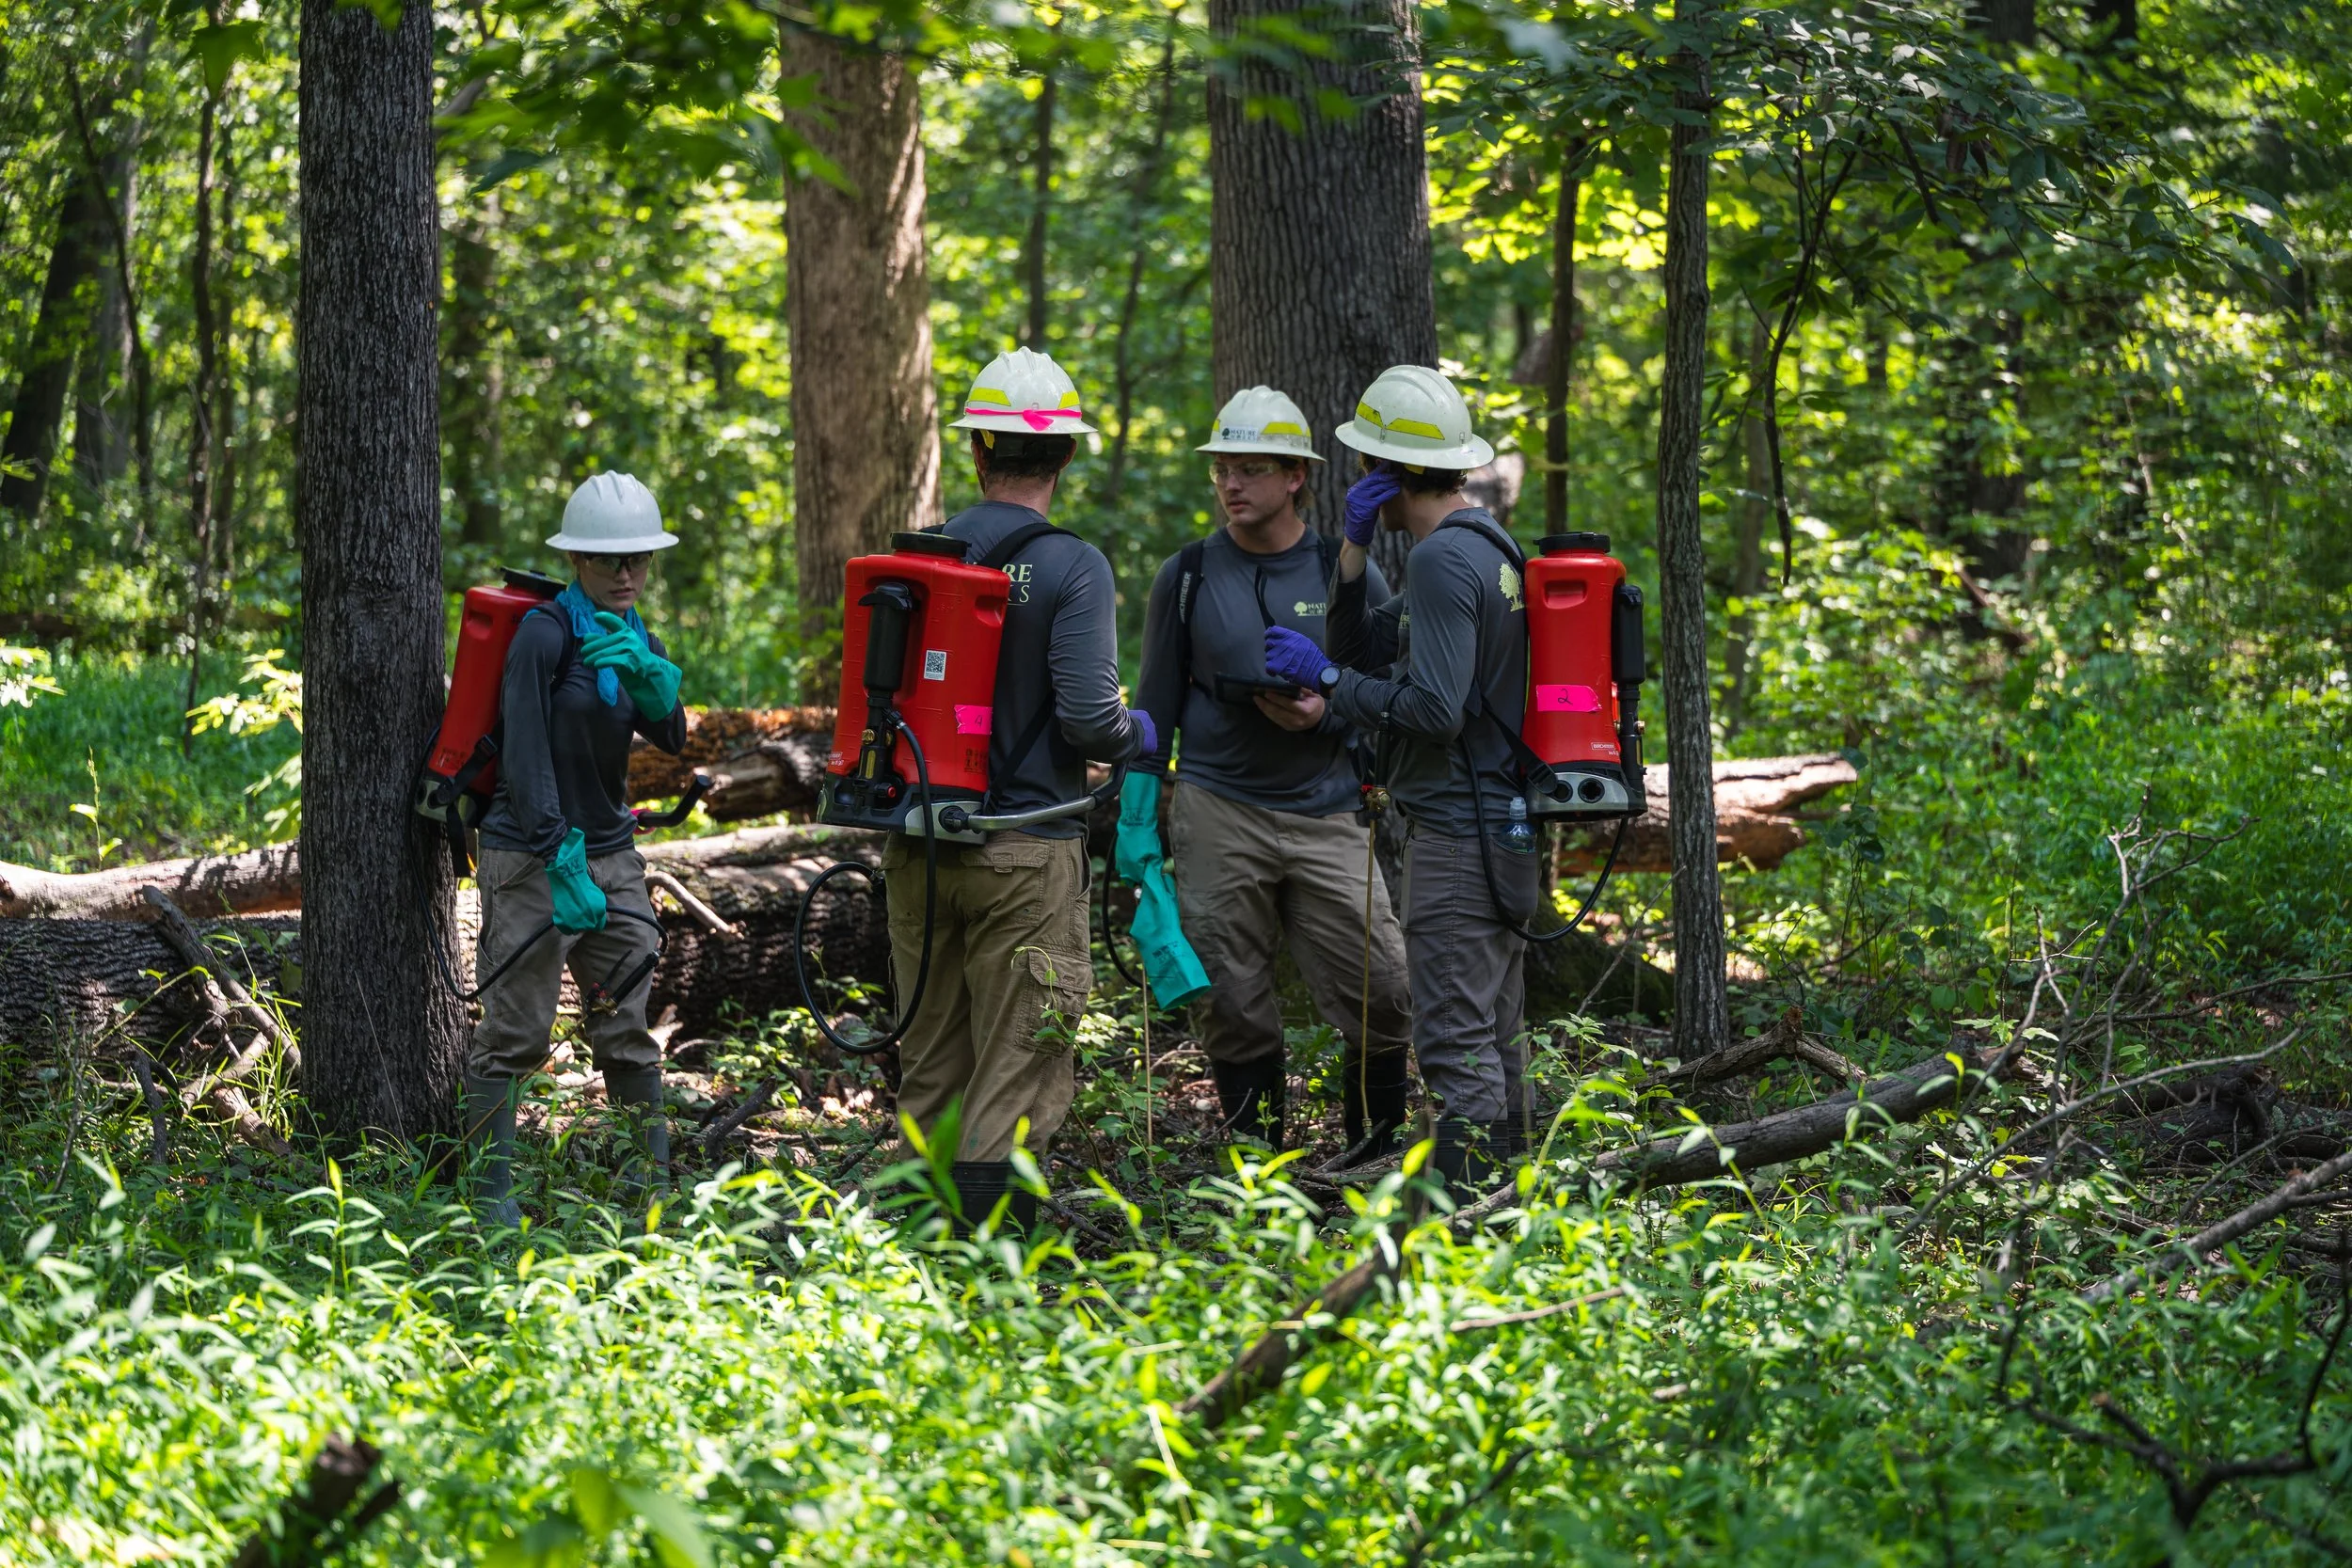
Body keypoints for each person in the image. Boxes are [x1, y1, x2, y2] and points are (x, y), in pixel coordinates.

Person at [882, 347, 1153, 1230]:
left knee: (930, 1060)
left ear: (977, 452)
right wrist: (1136, 733)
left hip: (920, 838)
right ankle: (989, 1277)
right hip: (1027, 849)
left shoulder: (924, 556)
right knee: (1019, 1066)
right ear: (1066, 456)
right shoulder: (1075, 565)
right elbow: (1087, 718)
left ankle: (912, 1265)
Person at [1262, 365, 1534, 1195]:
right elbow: (1359, 645)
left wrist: (1332, 686)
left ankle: (1469, 1228)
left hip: (1458, 831)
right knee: (1496, 1028)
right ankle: (1514, 1208)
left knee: (1455, 1037)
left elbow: (1434, 709)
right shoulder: (1480, 545)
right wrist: (1352, 548)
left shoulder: (1445, 562)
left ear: (1390, 470)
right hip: (1496, 825)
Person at [1131, 385, 1413, 1160]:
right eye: (1223, 468)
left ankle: (1377, 1158)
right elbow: (1152, 707)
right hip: (1218, 805)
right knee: (1232, 998)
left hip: (1328, 809)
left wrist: (1330, 712)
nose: (1231, 484)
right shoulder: (1186, 575)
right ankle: (1262, 1177)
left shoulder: (1342, 567)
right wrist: (1137, 820)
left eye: (1251, 469)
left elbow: (1393, 693)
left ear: (1296, 476)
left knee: (1383, 987)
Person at [460, 472, 689, 1227]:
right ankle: (491, 1199)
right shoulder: (545, 635)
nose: (625, 573)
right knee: (515, 1035)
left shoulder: (634, 634)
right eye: (606, 560)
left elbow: (674, 735)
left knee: (626, 1029)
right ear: (577, 560)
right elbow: (524, 755)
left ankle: (647, 1194)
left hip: (614, 855)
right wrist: (559, 854)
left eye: (637, 560)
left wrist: (656, 684)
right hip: (530, 854)